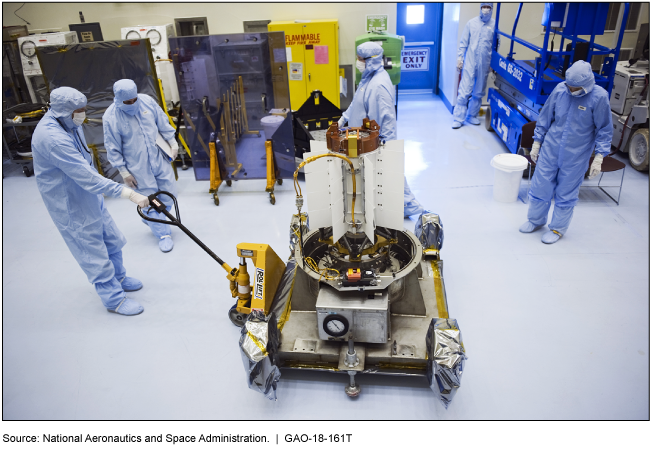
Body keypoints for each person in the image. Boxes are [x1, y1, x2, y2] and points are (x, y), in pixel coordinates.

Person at [32, 87, 150, 316]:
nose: (83, 114)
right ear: (65, 111)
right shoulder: (51, 138)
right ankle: (113, 299)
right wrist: (129, 194)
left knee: (111, 239)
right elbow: (85, 175)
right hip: (70, 201)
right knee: (92, 250)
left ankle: (119, 277)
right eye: (80, 111)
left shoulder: (68, 123)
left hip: (88, 194)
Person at [519, 60, 613, 244]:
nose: (571, 90)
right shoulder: (561, 90)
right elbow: (546, 116)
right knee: (540, 186)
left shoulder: (599, 97)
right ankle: (535, 221)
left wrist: (599, 157)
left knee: (566, 193)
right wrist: (537, 142)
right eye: (569, 86)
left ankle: (557, 229)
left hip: (576, 156)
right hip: (550, 149)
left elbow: (604, 129)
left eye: (575, 88)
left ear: (586, 85)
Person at [338, 41, 425, 217]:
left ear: (371, 60)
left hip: (375, 140)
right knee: (378, 175)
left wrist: (386, 144)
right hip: (361, 137)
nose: (358, 62)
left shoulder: (379, 85)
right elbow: (356, 102)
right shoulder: (368, 78)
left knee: (390, 171)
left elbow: (387, 118)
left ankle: (411, 207)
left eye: (360, 59)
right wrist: (343, 119)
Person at [103, 79, 179, 253]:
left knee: (168, 194)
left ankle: (154, 219)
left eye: (134, 99)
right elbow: (112, 146)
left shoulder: (147, 101)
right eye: (127, 102)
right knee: (148, 199)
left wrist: (173, 143)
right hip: (137, 166)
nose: (132, 104)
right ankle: (163, 234)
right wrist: (123, 171)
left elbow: (162, 123)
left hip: (159, 157)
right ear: (118, 99)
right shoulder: (111, 117)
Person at [452, 3, 497, 129]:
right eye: (484, 6)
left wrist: (493, 64)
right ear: (480, 7)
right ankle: (458, 118)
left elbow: (495, 46)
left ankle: (472, 116)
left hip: (485, 64)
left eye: (488, 7)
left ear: (492, 9)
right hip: (470, 62)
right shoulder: (471, 23)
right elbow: (463, 42)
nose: (486, 9)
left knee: (478, 92)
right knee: (465, 90)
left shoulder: (494, 25)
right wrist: (460, 58)